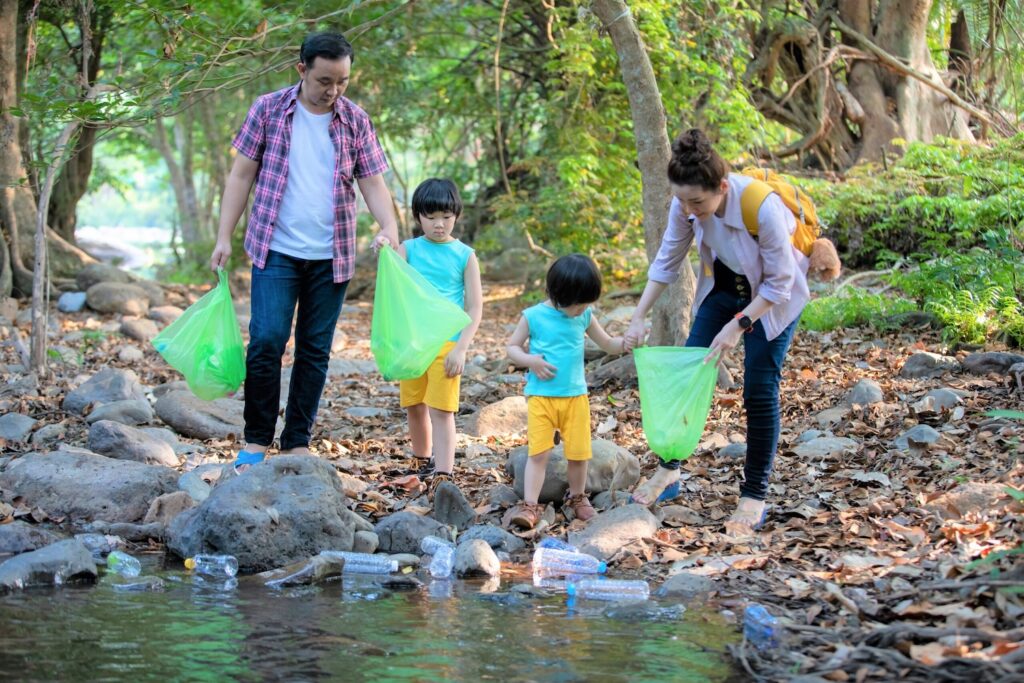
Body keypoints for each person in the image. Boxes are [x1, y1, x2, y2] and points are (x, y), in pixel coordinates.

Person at [208, 31, 399, 472]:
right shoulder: (269, 109)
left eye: (343, 82)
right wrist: (223, 236)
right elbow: (241, 176)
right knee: (267, 341)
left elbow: (373, 182)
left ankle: (296, 442)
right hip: (275, 248)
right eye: (324, 81)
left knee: (314, 349)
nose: (333, 91)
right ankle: (256, 440)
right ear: (302, 70)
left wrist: (388, 227)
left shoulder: (355, 120)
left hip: (332, 255)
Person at [624, 128, 809, 534]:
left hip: (773, 298)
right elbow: (667, 260)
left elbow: (781, 284)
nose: (689, 209)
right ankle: (670, 471)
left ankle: (754, 493)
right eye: (681, 199)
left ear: (722, 187)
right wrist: (639, 315)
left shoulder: (762, 207)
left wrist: (739, 326)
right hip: (725, 287)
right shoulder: (685, 206)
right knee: (690, 374)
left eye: (698, 201)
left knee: (759, 390)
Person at [505, 254, 627, 528]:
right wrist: (530, 360)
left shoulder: (584, 315)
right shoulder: (534, 316)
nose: (582, 309)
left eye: (587, 304)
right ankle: (530, 505)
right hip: (542, 398)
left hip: (575, 398)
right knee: (538, 454)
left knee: (579, 453)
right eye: (578, 304)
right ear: (559, 295)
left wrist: (625, 344)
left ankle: (578, 497)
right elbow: (512, 347)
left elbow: (607, 343)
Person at [396, 178, 483, 494]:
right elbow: (393, 287)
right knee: (415, 405)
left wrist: (461, 348)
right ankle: (421, 460)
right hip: (414, 343)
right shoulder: (408, 249)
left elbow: (474, 308)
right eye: (431, 217)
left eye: (446, 216)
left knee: (442, 410)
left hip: (447, 342)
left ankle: (444, 472)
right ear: (418, 216)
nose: (439, 224)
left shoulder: (464, 255)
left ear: (456, 215)